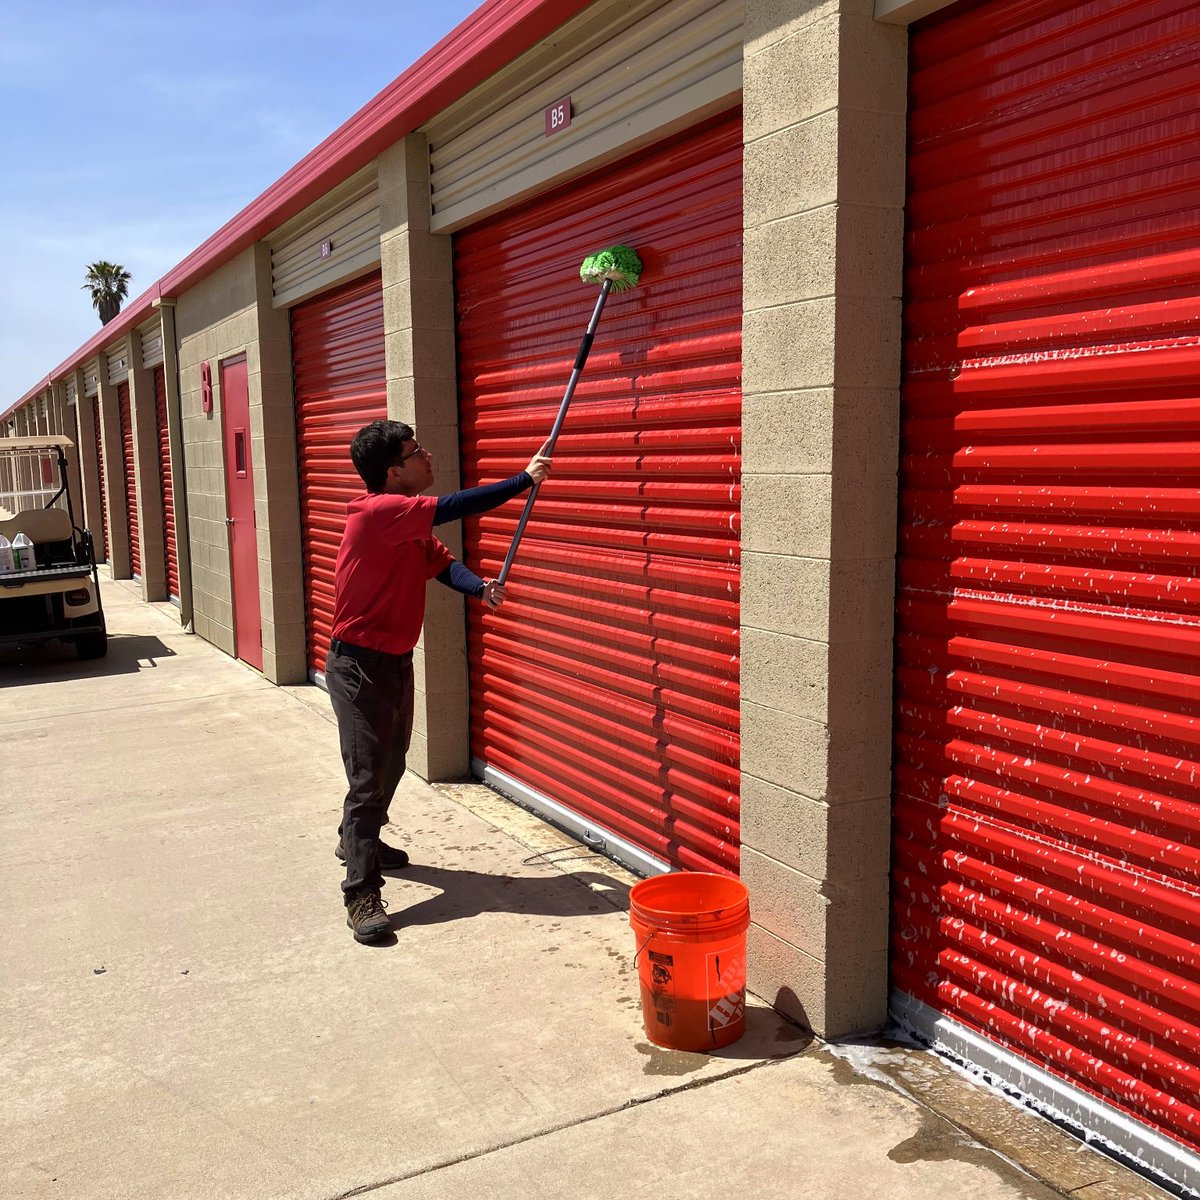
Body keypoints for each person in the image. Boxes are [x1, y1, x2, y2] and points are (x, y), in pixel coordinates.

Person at [326, 419, 551, 943]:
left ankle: (357, 839)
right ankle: (361, 893)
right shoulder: (377, 513)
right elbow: (455, 506)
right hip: (357, 667)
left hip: (393, 661)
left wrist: (479, 589)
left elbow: (442, 565)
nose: (428, 456)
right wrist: (523, 480)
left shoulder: (406, 526)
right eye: (416, 451)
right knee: (367, 778)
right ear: (393, 470)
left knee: (393, 761)